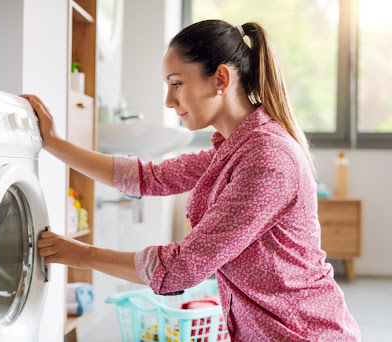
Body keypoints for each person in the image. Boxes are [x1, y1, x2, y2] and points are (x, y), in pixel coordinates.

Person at [22, 19, 360, 341]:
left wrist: (78, 255)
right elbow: (148, 178)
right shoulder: (235, 147)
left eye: (176, 83)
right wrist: (54, 143)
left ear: (221, 79)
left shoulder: (267, 158)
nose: (169, 101)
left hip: (302, 333)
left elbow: (182, 268)